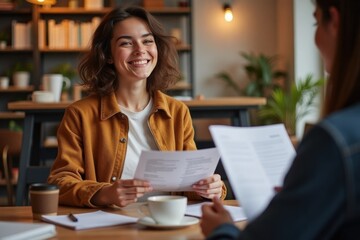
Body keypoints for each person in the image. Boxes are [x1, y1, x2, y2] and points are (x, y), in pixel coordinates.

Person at [201, 0, 360, 239]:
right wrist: (300, 196)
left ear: (335, 21)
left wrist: (221, 229)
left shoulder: (333, 141)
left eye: (316, 21)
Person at [48, 6, 226, 208]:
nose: (140, 50)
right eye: (126, 43)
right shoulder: (79, 114)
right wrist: (104, 194)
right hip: (110, 225)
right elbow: (60, 182)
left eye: (147, 41)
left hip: (167, 221)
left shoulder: (178, 112)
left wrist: (209, 188)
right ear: (107, 55)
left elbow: (190, 181)